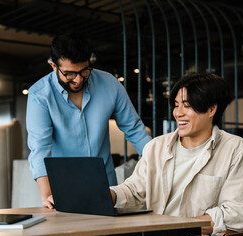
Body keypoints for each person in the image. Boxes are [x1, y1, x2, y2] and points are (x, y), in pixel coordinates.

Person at [110, 73, 243, 236]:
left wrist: (179, 227)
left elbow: (236, 213)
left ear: (211, 109)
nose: (178, 113)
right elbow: (134, 191)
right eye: (176, 105)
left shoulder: (236, 149)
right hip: (157, 235)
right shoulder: (156, 146)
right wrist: (108, 195)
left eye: (187, 106)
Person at [26, 32, 151, 209]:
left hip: (107, 186)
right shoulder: (39, 95)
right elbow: (40, 148)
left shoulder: (109, 84)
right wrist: (47, 196)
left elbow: (135, 130)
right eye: (69, 74)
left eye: (84, 71)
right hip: (62, 189)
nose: (77, 80)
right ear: (53, 65)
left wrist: (160, 164)